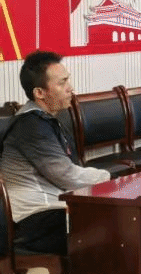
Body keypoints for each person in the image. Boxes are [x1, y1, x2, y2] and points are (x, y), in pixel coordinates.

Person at [0, 51, 110, 255]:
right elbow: (66, 176)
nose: (70, 88)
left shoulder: (46, 120)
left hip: (53, 207)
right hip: (34, 219)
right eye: (62, 83)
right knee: (114, 225)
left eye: (68, 80)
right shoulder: (31, 126)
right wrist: (109, 178)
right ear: (39, 93)